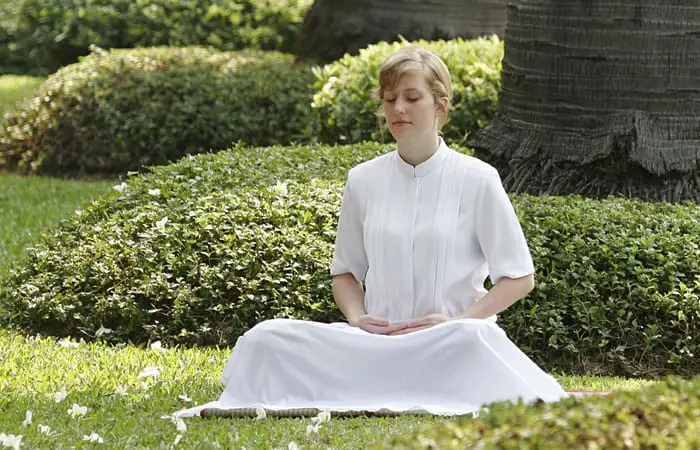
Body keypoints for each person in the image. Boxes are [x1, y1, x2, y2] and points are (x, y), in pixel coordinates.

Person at [175, 46, 567, 419]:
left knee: (474, 340)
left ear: (440, 105)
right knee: (266, 336)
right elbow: (345, 272)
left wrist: (459, 322)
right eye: (389, 97)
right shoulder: (363, 180)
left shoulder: (478, 179)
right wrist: (358, 318)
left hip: (449, 346)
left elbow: (518, 277)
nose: (397, 108)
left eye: (412, 98)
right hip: (375, 346)